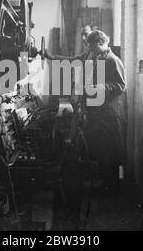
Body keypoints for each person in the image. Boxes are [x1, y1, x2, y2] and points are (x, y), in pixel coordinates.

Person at [45, 30, 126, 192]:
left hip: (109, 113)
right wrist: (52, 57)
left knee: (110, 149)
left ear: (100, 43)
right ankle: (106, 182)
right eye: (88, 46)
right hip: (96, 111)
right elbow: (73, 60)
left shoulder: (112, 60)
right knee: (101, 149)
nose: (89, 49)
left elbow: (120, 86)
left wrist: (98, 88)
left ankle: (113, 186)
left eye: (91, 45)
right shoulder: (92, 55)